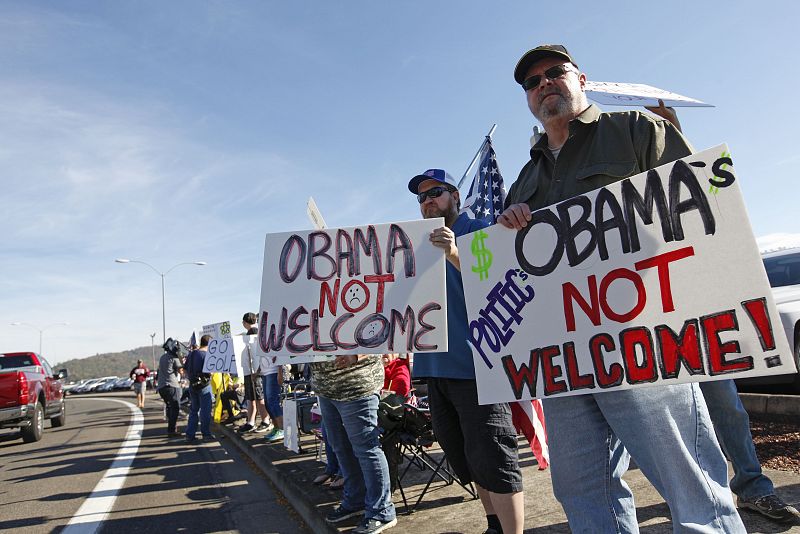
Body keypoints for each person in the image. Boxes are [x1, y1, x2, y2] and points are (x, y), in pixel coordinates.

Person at [498, 43, 745, 532]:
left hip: (644, 342)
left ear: (581, 78)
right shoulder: (526, 175)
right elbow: (515, 270)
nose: (544, 83)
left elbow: (700, 208)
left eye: (555, 73)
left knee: (690, 487)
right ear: (528, 99)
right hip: (564, 360)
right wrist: (509, 226)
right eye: (532, 82)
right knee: (585, 493)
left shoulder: (636, 129)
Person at [644, 102, 800, 524]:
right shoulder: (620, 206)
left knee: (725, 406)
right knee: (655, 422)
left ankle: (752, 487)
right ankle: (688, 495)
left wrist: (674, 134)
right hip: (643, 324)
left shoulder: (681, 195)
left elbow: (707, 189)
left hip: (694, 317)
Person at [408, 169, 524, 534]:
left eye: (436, 192)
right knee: (466, 459)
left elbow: (496, 284)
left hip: (477, 367)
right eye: (422, 197)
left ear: (455, 195)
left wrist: (454, 251)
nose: (429, 201)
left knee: (494, 457)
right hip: (434, 368)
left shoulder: (480, 228)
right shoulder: (413, 244)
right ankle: (493, 524)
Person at [312, 354, 396, 534]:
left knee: (366, 448)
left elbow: (382, 331)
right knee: (340, 446)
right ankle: (356, 500)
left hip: (357, 385)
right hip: (325, 388)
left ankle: (382, 511)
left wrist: (358, 354)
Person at [238, 312, 271, 434]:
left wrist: (257, 371)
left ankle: (265, 421)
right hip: (251, 370)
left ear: (245, 322)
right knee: (251, 397)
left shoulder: (253, 333)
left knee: (258, 397)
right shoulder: (252, 333)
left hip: (255, 371)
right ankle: (251, 422)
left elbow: (257, 354)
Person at [185, 334, 215, 442]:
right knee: (205, 411)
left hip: (192, 385)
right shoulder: (206, 355)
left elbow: (185, 369)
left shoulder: (191, 354)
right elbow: (210, 371)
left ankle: (190, 434)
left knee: (193, 410)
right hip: (204, 385)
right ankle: (206, 434)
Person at [157, 338, 184, 437]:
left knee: (169, 407)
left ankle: (172, 427)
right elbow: (182, 370)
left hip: (161, 387)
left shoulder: (162, 357)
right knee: (175, 407)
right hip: (172, 386)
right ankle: (172, 430)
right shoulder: (174, 358)